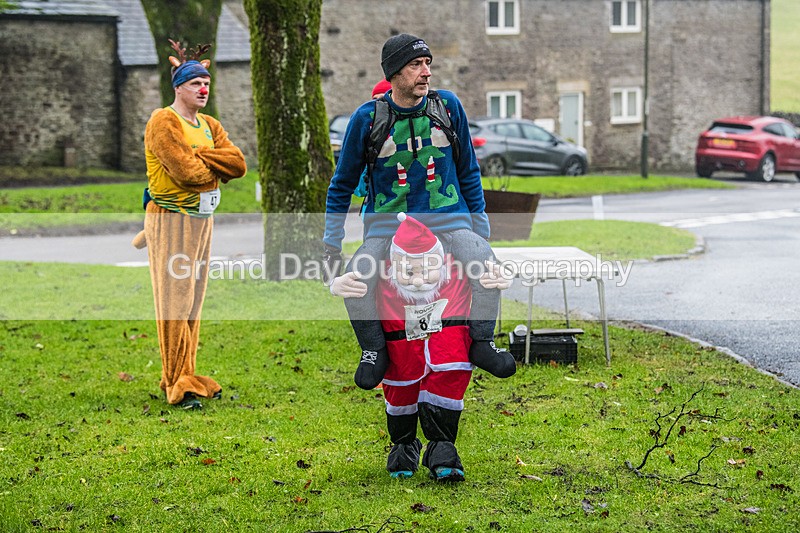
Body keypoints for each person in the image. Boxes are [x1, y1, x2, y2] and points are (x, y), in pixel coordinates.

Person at [324, 33, 516, 391]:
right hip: (385, 228)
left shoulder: (448, 106)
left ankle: (482, 341)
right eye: (416, 65)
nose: (426, 72)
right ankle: (372, 350)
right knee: (357, 277)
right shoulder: (367, 119)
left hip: (450, 221)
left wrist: (480, 231)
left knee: (484, 264)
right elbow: (340, 186)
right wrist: (331, 246)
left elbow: (468, 172)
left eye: (428, 63)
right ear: (394, 73)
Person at [331, 214, 511, 481]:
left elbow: (484, 275)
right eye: (408, 272)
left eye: (426, 271)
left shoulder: (457, 272)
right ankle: (404, 446)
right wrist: (335, 282)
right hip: (400, 353)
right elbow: (357, 284)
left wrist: (498, 275)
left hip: (448, 352)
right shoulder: (382, 280)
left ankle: (442, 449)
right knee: (400, 399)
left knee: (446, 395)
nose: (417, 281)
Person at [141, 40, 246, 409]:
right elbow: (186, 173)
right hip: (171, 219)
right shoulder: (162, 120)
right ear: (178, 88)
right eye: (195, 84)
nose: (204, 89)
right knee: (174, 300)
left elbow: (238, 164)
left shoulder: (209, 124)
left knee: (194, 303)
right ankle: (176, 381)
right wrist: (208, 163)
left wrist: (203, 156)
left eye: (206, 83)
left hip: (202, 221)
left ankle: (188, 370)